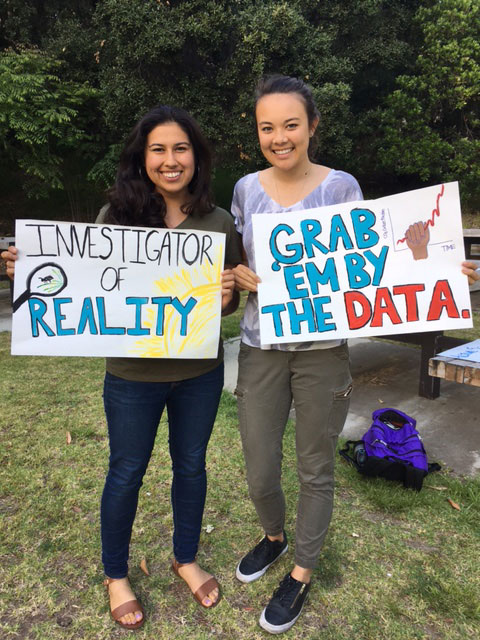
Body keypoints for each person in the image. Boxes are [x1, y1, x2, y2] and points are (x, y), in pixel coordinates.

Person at [229, 73, 480, 635]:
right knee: (259, 465)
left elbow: (374, 262)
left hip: (322, 352)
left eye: (291, 125)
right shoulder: (245, 188)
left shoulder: (341, 187)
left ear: (312, 127)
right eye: (267, 127)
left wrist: (442, 268)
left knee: (315, 466)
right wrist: (238, 276)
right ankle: (273, 537)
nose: (280, 137)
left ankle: (301, 571)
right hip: (260, 347)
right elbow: (240, 265)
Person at [2, 105, 242, 630]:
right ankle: (116, 575)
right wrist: (34, 269)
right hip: (133, 377)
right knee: (127, 471)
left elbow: (226, 306)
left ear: (197, 158)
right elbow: (79, 278)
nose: (171, 160)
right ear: (142, 157)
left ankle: (185, 557)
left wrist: (226, 297)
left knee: (192, 466)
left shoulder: (220, 221)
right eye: (159, 149)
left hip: (200, 373)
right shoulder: (116, 217)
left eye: (182, 149)